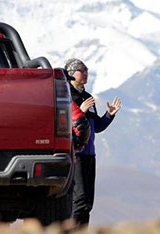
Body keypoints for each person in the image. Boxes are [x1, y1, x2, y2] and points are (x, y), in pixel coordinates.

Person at [65, 58, 121, 227]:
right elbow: (64, 122)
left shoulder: (87, 97)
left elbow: (95, 126)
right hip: (76, 154)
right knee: (79, 198)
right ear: (71, 73)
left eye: (87, 70)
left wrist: (109, 115)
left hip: (90, 155)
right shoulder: (66, 96)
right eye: (82, 70)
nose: (86, 73)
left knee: (88, 200)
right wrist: (79, 112)